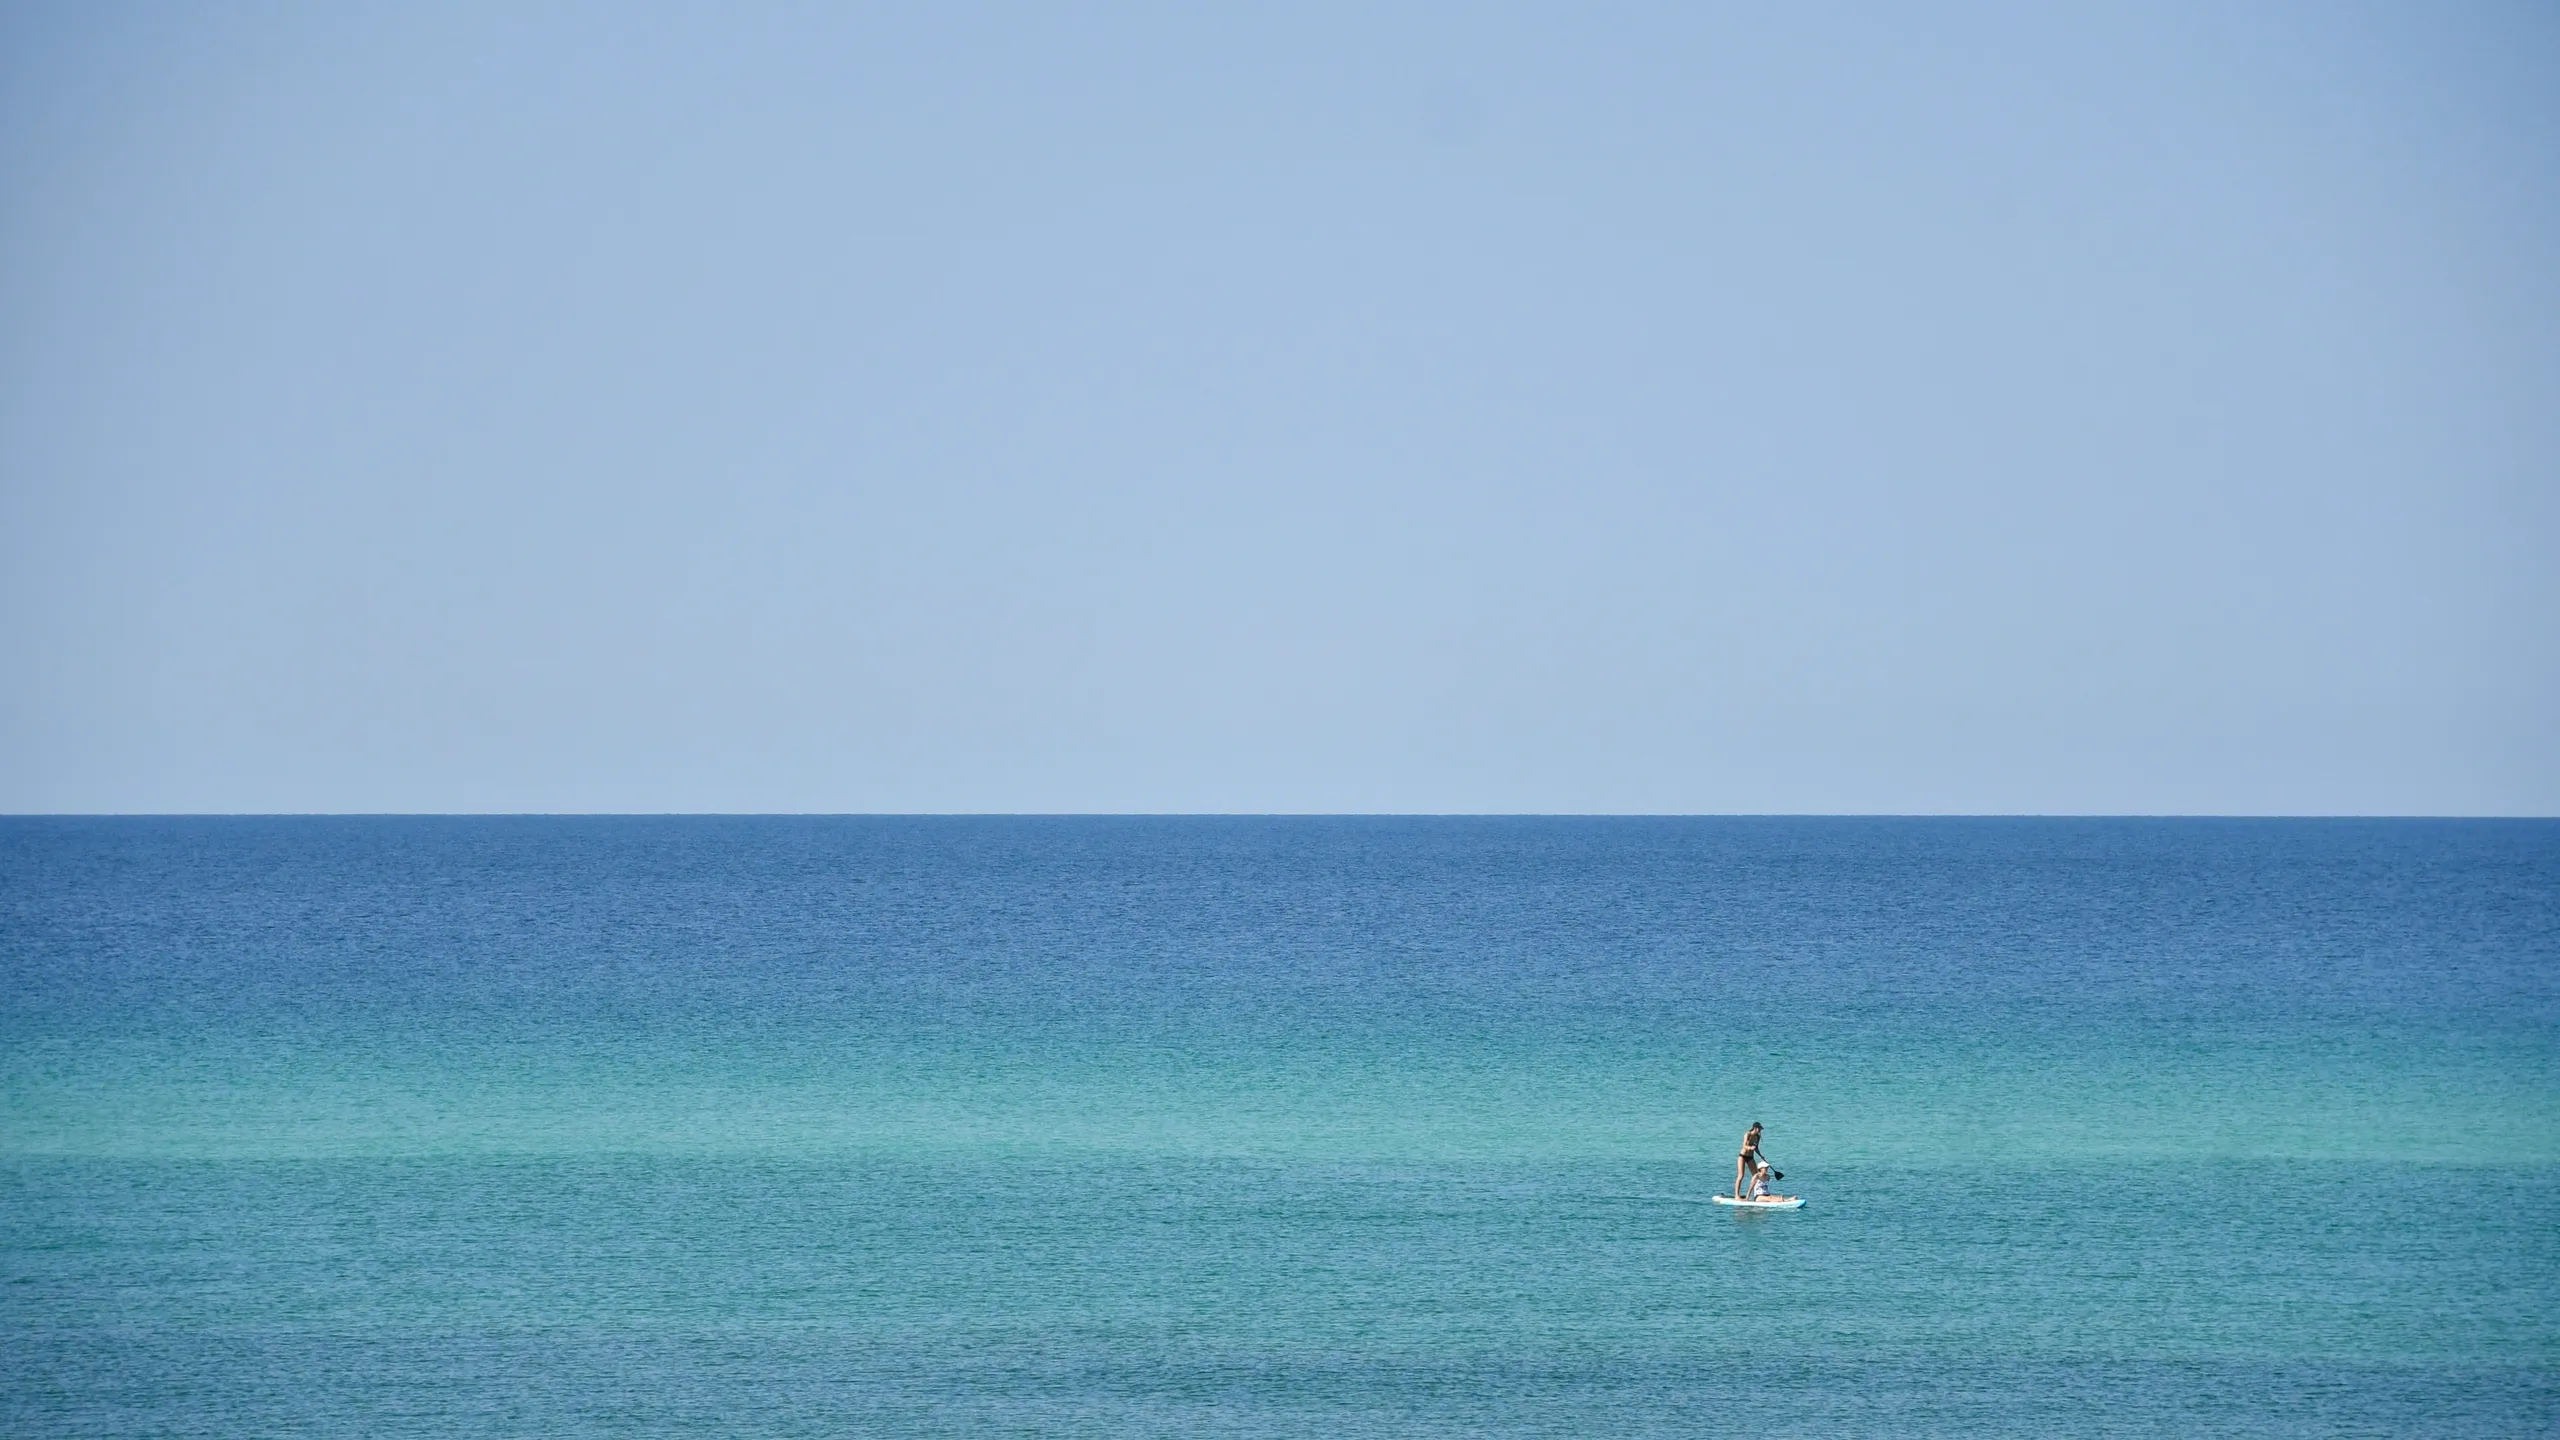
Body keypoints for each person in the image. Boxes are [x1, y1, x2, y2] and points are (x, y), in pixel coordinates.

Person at [1734, 1122, 1765, 1199]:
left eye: (1761, 1129)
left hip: (1751, 1157)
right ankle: (1737, 1195)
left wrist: (1761, 1156)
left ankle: (1756, 1195)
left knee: (1756, 1176)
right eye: (1759, 1128)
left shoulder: (1757, 1137)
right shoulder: (1747, 1134)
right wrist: (1750, 1148)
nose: (1760, 1130)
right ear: (1755, 1128)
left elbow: (1756, 1148)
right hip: (1742, 1156)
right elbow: (1744, 1145)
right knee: (1741, 1175)